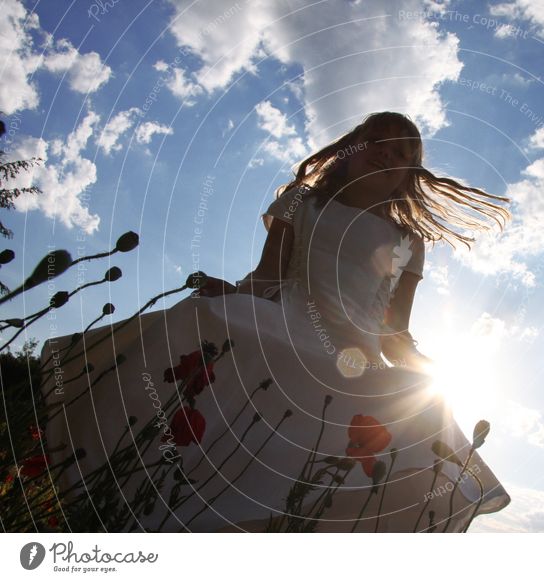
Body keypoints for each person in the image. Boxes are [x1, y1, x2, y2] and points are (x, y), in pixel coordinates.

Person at [40, 111, 512, 532]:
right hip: (288, 321)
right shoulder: (302, 202)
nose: (386, 156)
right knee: (208, 318)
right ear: (348, 151)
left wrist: (423, 368)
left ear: (406, 178)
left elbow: (395, 329)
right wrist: (234, 291)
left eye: (400, 156)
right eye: (377, 144)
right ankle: (153, 497)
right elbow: (269, 274)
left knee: (422, 410)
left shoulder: (408, 239)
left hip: (359, 356)